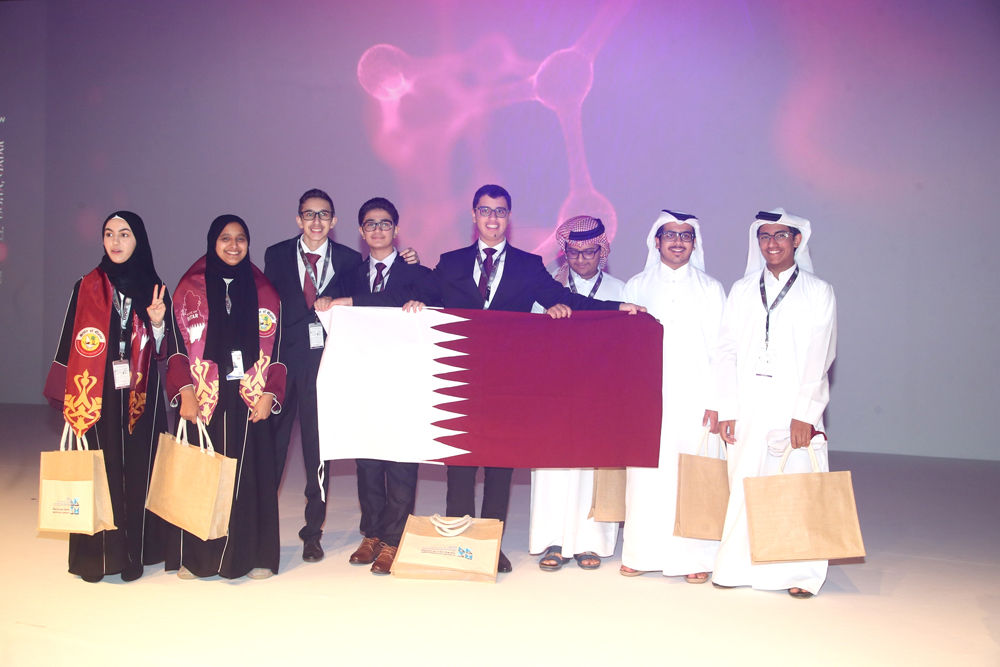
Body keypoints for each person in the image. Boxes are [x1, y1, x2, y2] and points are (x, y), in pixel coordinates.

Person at [337, 184, 644, 573]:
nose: (493, 218)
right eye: (485, 211)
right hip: (459, 380)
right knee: (460, 465)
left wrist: (618, 307)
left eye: (500, 212)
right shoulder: (450, 262)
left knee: (501, 465)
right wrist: (356, 301)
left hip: (508, 383)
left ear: (509, 217)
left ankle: (491, 543)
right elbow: (404, 293)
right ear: (474, 216)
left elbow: (570, 301)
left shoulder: (528, 265)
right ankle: (461, 541)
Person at [713, 208, 837, 598]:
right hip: (748, 404)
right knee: (744, 482)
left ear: (797, 240)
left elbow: (822, 356)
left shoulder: (818, 291)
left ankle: (798, 573)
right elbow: (726, 351)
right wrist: (727, 408)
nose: (772, 243)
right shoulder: (742, 289)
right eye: (765, 236)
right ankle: (737, 565)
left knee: (794, 483)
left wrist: (805, 414)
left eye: (781, 235)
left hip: (791, 405)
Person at [44, 211, 174, 583]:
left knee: (137, 470)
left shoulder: (154, 286)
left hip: (139, 390)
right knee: (99, 468)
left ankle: (134, 553)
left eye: (125, 234)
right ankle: (97, 556)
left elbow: (165, 349)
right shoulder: (86, 285)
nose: (115, 242)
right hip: (95, 389)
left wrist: (158, 322)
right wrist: (68, 398)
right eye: (109, 234)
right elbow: (70, 341)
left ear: (139, 240)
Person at [166, 214, 287, 580]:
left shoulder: (265, 290)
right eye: (225, 238)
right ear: (212, 242)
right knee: (202, 474)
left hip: (249, 394)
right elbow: (175, 346)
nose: (233, 246)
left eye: (240, 239)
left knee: (252, 476)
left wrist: (271, 392)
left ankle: (254, 556)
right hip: (205, 395)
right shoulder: (189, 288)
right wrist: (184, 389)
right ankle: (197, 557)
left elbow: (279, 349)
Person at [619, 210, 726, 582]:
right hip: (647, 398)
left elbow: (722, 350)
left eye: (685, 236)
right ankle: (640, 553)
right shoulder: (636, 285)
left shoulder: (712, 288)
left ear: (694, 243)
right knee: (645, 476)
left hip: (697, 399)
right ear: (657, 241)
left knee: (694, 476)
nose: (677, 242)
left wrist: (718, 401)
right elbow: (623, 348)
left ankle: (696, 559)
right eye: (670, 235)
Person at [330, 197, 432, 574]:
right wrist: (330, 301)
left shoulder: (418, 274)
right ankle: (371, 533)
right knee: (368, 459)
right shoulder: (350, 276)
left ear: (396, 228)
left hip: (405, 382)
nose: (377, 230)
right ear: (360, 231)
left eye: (384, 223)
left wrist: (351, 302)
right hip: (364, 381)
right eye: (370, 224)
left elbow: (419, 299)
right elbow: (327, 307)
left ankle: (395, 538)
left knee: (402, 460)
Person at [527, 215, 625, 572]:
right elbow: (531, 342)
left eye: (590, 252)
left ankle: (591, 543)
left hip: (600, 395)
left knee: (592, 469)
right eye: (574, 252)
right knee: (554, 468)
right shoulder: (545, 289)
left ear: (603, 252)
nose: (582, 259)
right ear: (564, 252)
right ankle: (553, 539)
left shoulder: (620, 291)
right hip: (554, 393)